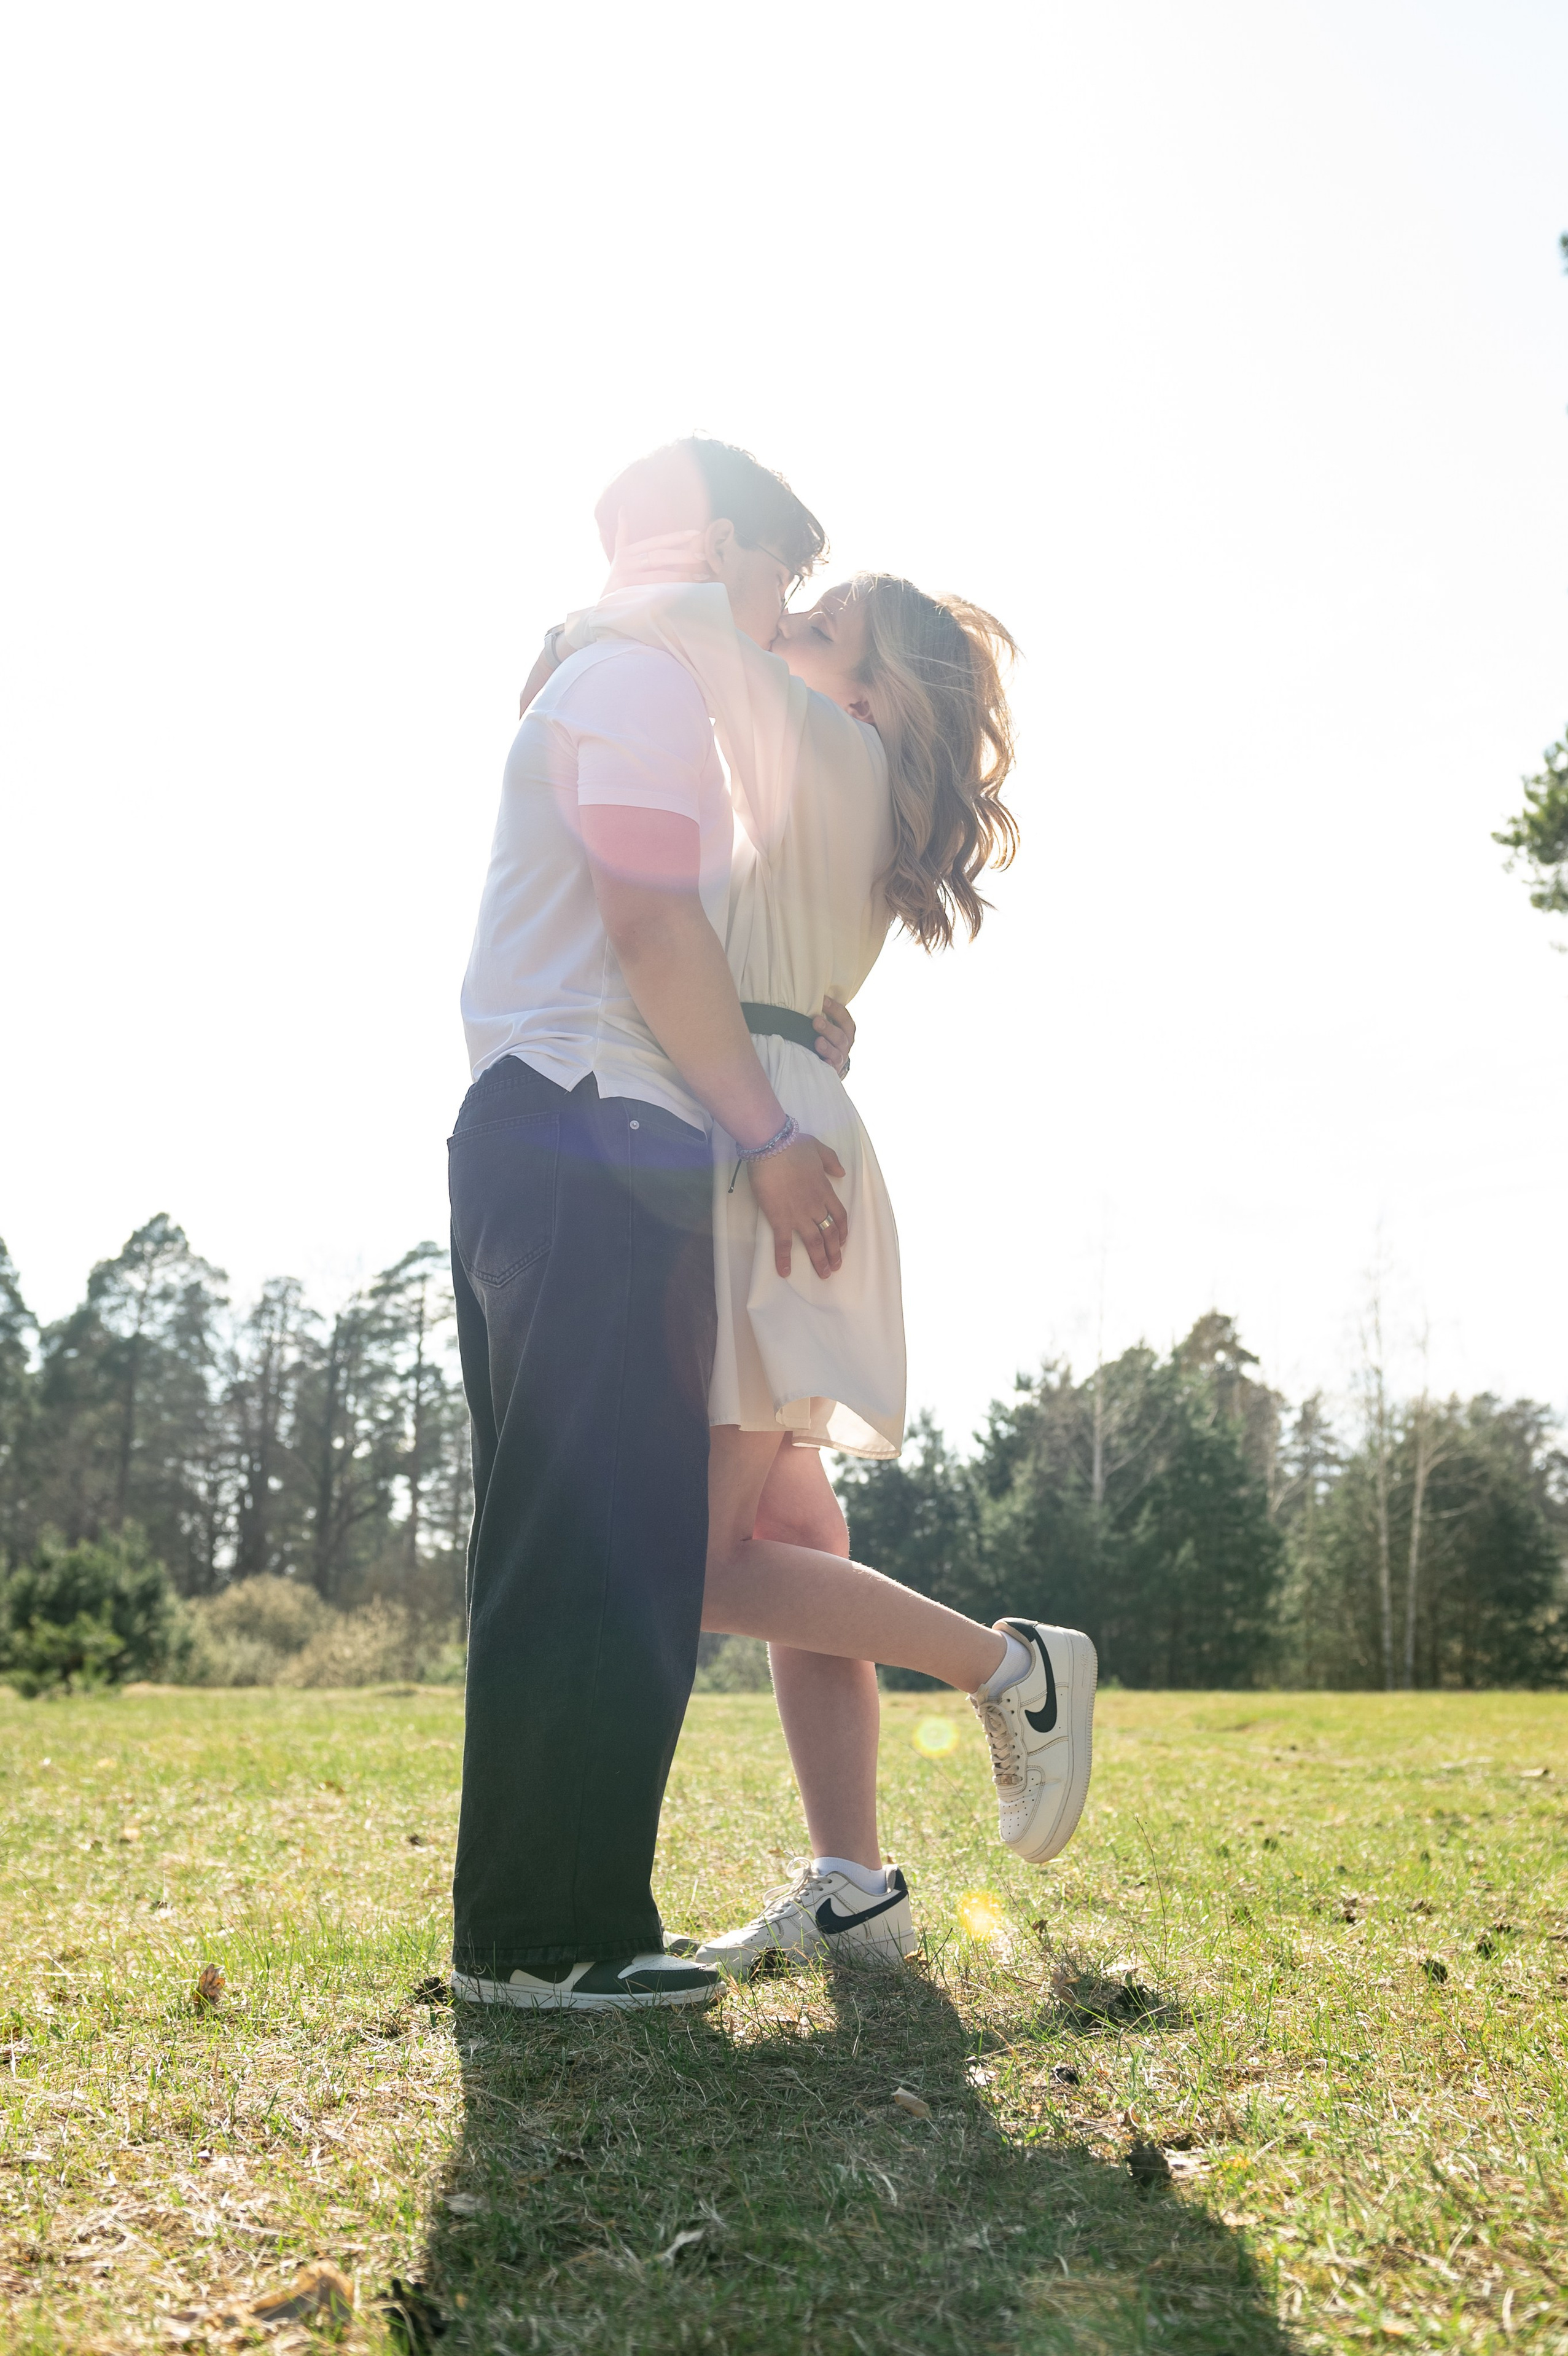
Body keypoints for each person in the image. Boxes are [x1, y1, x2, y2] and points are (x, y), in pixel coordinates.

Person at [536, 477, 1098, 1982]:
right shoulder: (841, 779)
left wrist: (633, 604)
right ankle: (852, 1884)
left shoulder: (830, 747)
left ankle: (1008, 1666)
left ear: (872, 683)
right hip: (778, 1117)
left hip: (763, 1149)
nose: (789, 624)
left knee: (694, 1563)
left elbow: (701, 645)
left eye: (822, 618)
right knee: (794, 1533)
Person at [449, 437, 853, 2013]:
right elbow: (646, 917)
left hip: (564, 1128)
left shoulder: (609, 673)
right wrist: (766, 1133)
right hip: (597, 1132)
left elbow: (667, 926)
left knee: (571, 1532)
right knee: (600, 1537)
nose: (780, 619)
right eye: (780, 577)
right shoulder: (641, 679)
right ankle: (552, 1939)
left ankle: (537, 1927)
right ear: (718, 547)